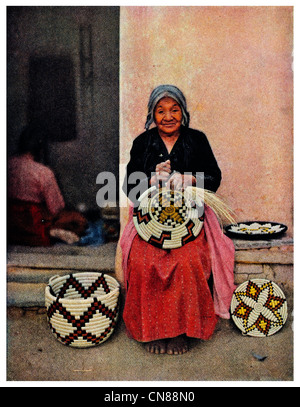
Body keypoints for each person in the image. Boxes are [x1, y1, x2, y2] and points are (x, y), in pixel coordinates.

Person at [120, 84, 236, 355]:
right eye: (161, 111)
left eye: (174, 110)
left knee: (188, 262)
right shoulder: (143, 142)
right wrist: (150, 177)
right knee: (141, 260)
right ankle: (153, 332)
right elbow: (129, 186)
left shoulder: (197, 139)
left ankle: (181, 332)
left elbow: (215, 178)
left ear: (183, 112)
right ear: (152, 114)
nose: (168, 116)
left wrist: (191, 178)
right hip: (149, 221)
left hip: (190, 221)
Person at [7, 122, 87, 246]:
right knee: (78, 220)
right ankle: (51, 232)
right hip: (34, 223)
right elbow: (56, 208)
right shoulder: (43, 172)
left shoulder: (7, 164)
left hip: (9, 221)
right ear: (42, 147)